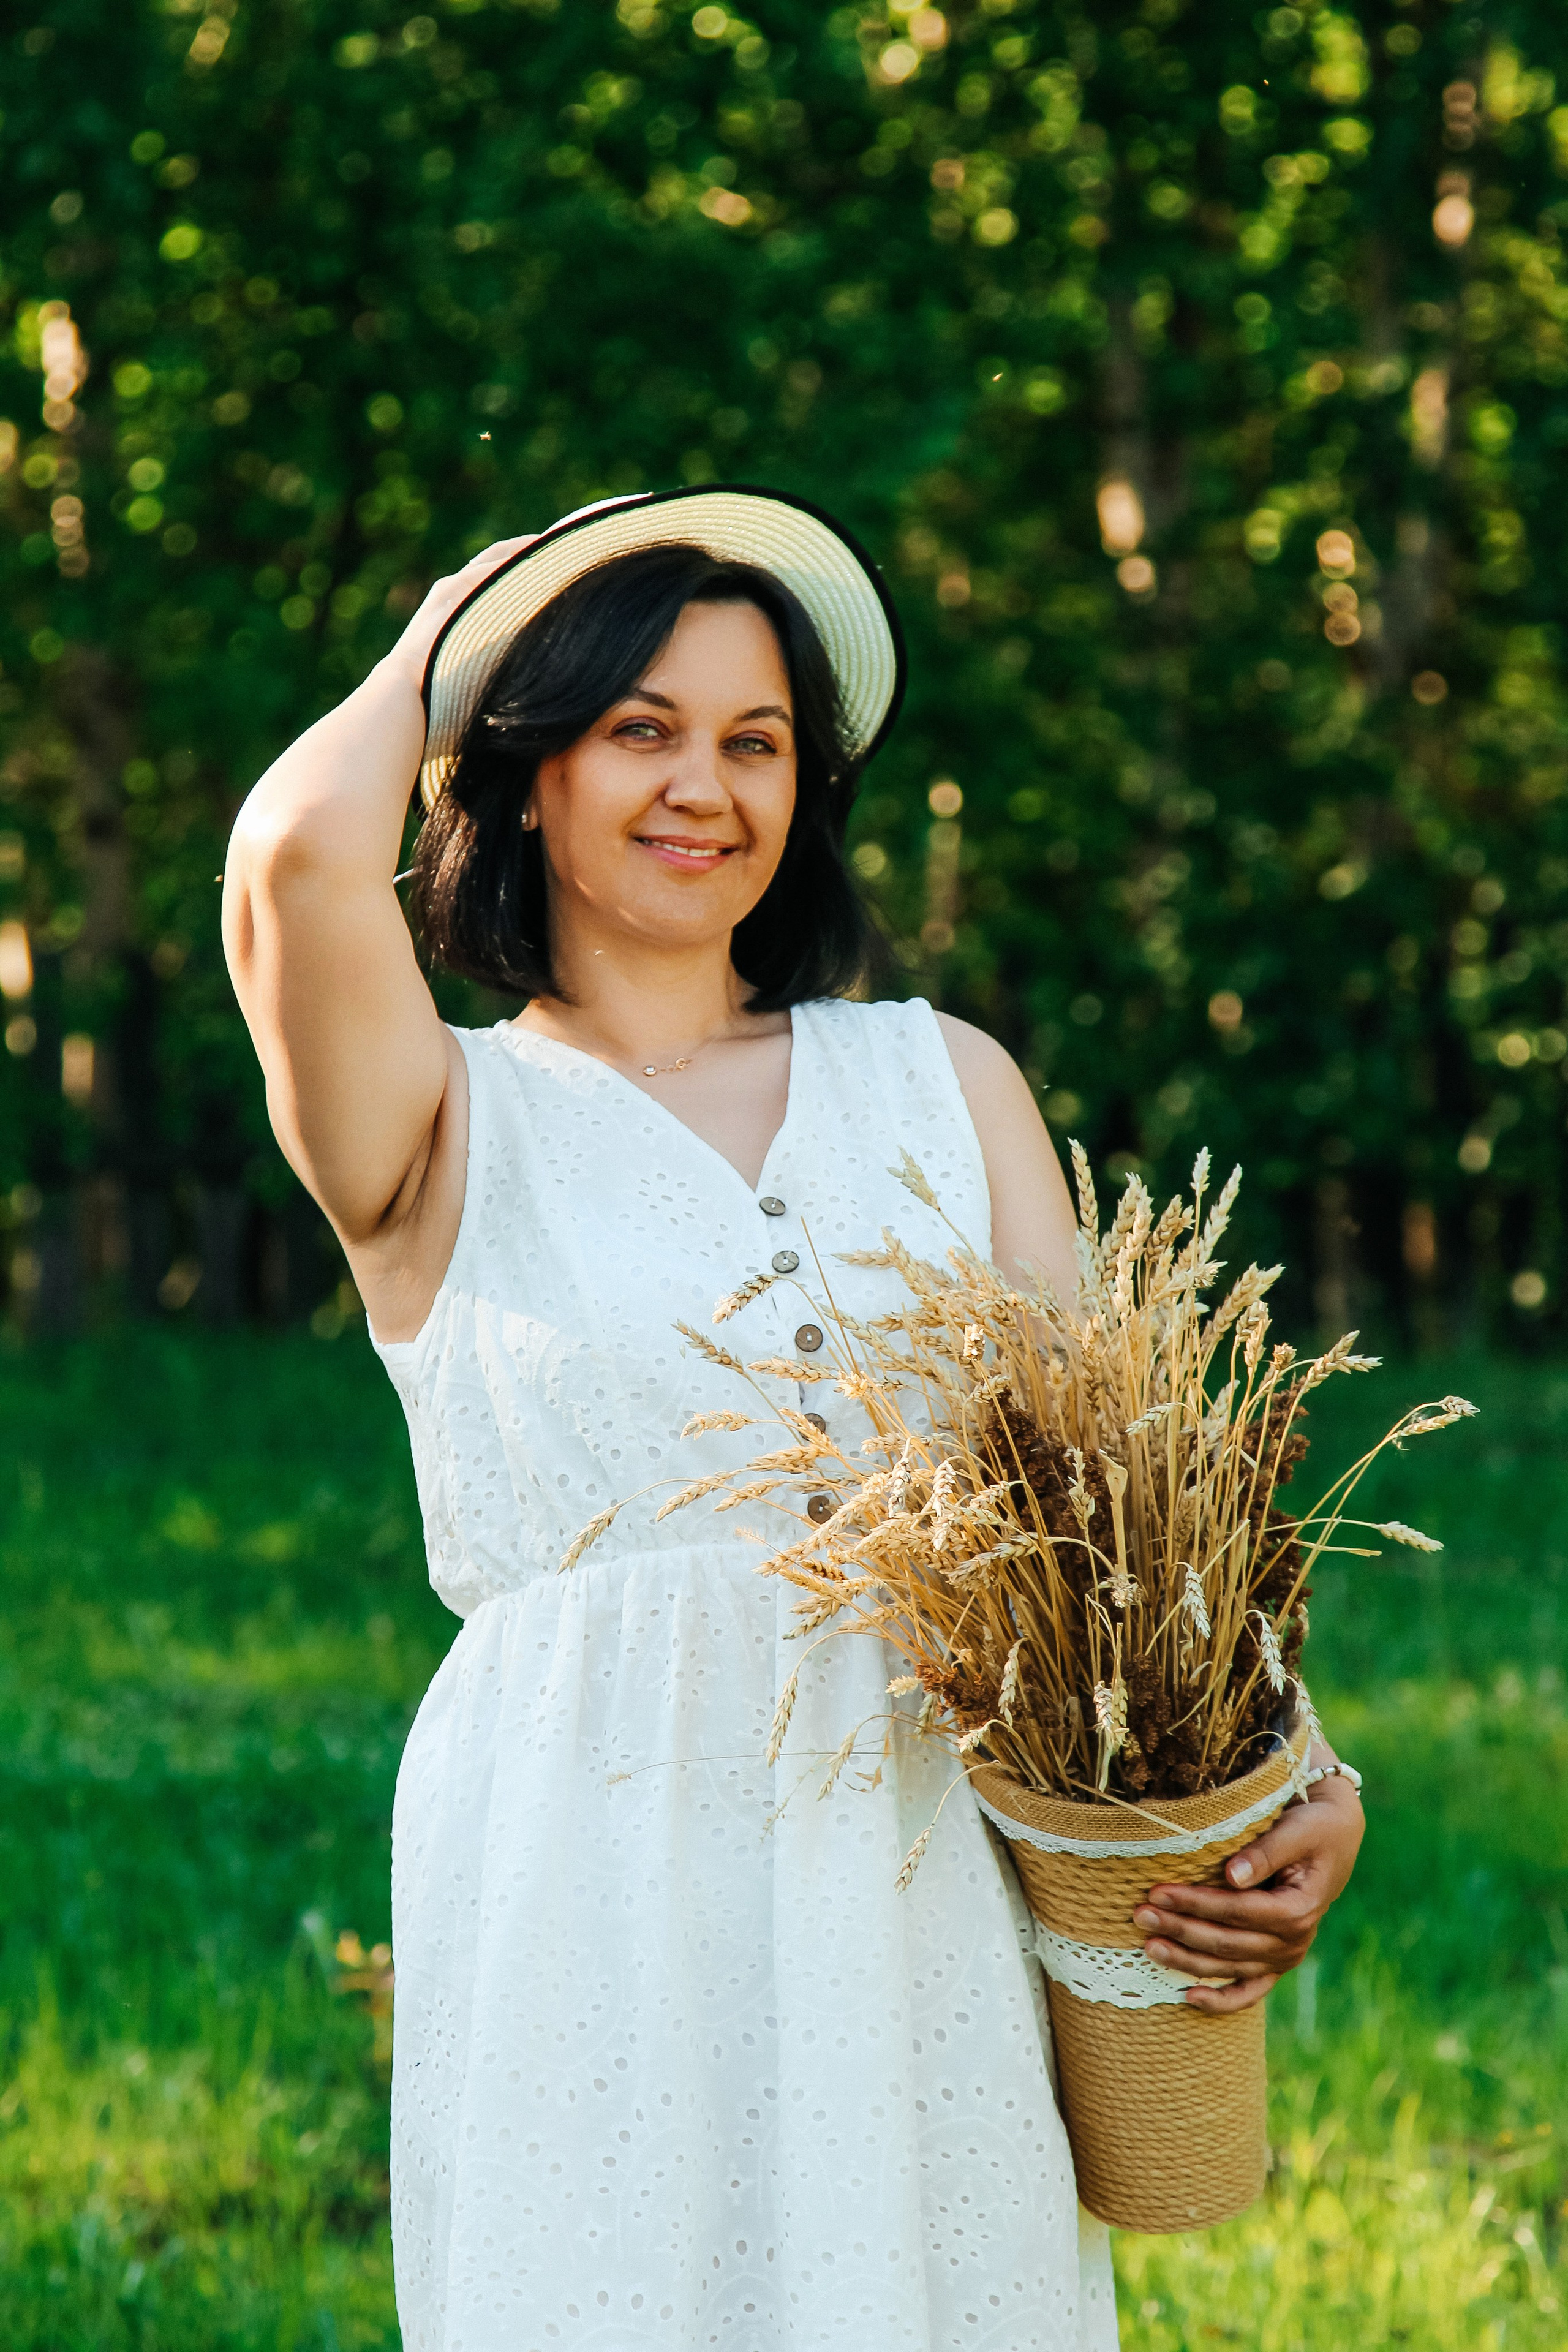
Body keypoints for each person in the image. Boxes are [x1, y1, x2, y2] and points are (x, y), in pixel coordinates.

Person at [223, 486, 1364, 2351]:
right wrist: (462, 625)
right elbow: (288, 861)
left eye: (757, 743)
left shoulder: (938, 1078)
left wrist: (1309, 1776)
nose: (705, 788)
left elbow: (1118, 1517)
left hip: (915, 1851)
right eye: (637, 730)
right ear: (518, 774)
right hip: (586, 1858)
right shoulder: (440, 1123)